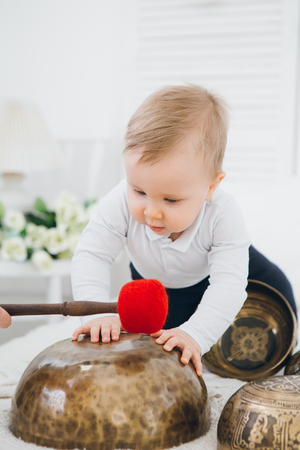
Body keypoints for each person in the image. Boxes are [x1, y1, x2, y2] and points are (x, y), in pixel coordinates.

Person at [71, 84, 297, 376]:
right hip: (164, 288)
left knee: (268, 336)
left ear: (211, 186)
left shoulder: (223, 214)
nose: (151, 211)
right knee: (162, 343)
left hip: (247, 280)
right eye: (139, 190)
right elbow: (92, 254)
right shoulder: (118, 202)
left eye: (171, 199)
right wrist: (100, 315)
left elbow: (228, 286)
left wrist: (197, 334)